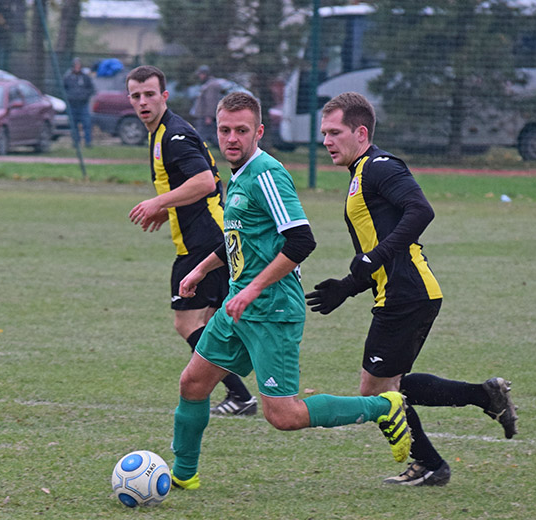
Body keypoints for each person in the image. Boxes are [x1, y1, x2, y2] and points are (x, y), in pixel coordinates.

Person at [169, 91, 413, 491]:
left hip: (272, 310)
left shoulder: (267, 173)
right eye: (225, 129)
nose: (232, 138)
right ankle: (182, 475)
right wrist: (200, 270)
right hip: (239, 305)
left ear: (259, 132)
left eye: (242, 130)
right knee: (192, 384)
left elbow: (301, 242)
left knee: (284, 416)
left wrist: (253, 290)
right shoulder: (240, 173)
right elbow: (239, 237)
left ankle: (383, 406)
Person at [307, 91, 518, 486]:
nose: (326, 141)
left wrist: (374, 258)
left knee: (377, 392)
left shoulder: (380, 166)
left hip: (408, 294)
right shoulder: (359, 175)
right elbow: (377, 250)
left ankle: (432, 462)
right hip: (402, 293)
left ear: (361, 132)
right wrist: (347, 287)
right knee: (390, 387)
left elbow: (421, 210)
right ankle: (483, 398)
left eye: (334, 132)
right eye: (324, 133)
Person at [126, 65, 257, 416]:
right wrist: (164, 208)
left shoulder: (174, 135)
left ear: (164, 96)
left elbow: (204, 183)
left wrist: (158, 201)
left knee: (187, 323)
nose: (143, 102)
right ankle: (240, 394)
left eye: (150, 94)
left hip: (204, 240)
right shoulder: (161, 133)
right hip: (209, 236)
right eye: (136, 96)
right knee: (213, 325)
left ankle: (241, 394)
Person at [63, 57, 95, 147]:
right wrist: (69, 97)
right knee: (74, 125)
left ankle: (88, 142)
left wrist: (85, 96)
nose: (77, 67)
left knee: (87, 124)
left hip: (83, 105)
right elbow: (63, 89)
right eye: (75, 65)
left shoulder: (85, 77)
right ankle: (76, 142)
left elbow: (91, 89)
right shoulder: (68, 77)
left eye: (78, 65)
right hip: (72, 105)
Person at [189, 65, 224, 146]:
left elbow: (211, 101)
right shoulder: (208, 84)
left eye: (200, 74)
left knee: (203, 137)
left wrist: (209, 117)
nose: (199, 76)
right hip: (204, 116)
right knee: (210, 137)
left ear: (205, 74)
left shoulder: (212, 85)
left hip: (205, 117)